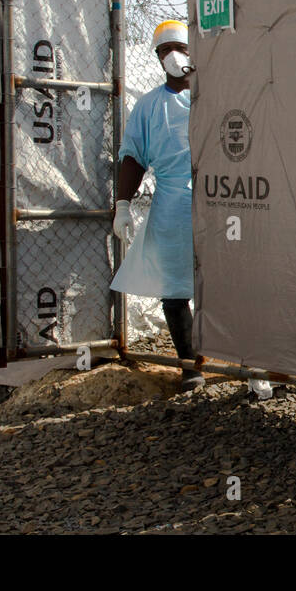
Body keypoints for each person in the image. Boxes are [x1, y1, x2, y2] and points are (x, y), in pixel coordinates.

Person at [110, 19, 205, 391]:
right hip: (172, 208)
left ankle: (250, 361)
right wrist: (122, 204)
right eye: (164, 50)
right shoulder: (150, 106)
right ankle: (190, 367)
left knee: (229, 281)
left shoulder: (212, 95)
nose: (172, 56)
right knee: (176, 290)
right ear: (157, 57)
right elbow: (132, 156)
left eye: (179, 48)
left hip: (219, 199)